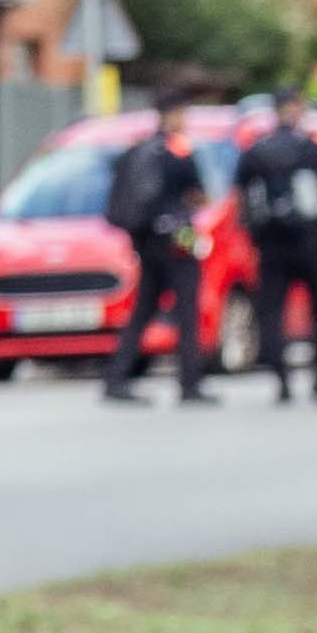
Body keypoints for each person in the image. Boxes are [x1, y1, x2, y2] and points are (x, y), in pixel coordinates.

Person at [96, 95, 218, 407]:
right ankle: (190, 383)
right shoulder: (180, 150)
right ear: (174, 115)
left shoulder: (139, 150)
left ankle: (116, 377)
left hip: (147, 241)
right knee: (188, 308)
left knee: (142, 310)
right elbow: (198, 195)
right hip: (181, 236)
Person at [236, 101, 317, 407]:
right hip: (315, 244)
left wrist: (253, 235)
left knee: (272, 312)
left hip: (272, 245)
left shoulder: (257, 151)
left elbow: (240, 197)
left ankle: (282, 380)